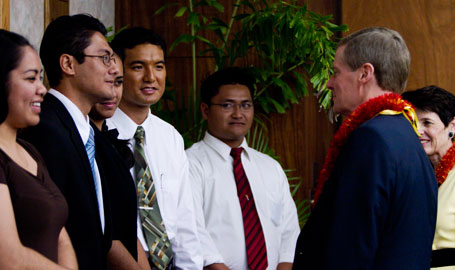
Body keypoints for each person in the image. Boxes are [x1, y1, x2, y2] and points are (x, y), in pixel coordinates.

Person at [293, 27, 438, 269]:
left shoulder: (371, 139)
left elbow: (351, 247)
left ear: (364, 74)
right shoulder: (407, 135)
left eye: (336, 72)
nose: (329, 83)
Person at [21, 14, 120, 269]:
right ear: (68, 64)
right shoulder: (44, 128)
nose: (114, 68)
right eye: (104, 57)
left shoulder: (88, 131)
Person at [186, 67, 300, 270]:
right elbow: (193, 232)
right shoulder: (190, 164)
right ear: (205, 110)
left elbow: (289, 233)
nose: (238, 114)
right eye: (227, 105)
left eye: (245, 105)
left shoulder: (270, 167)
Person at [108, 27, 202, 270]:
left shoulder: (170, 137)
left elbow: (184, 216)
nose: (151, 77)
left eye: (159, 66)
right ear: (117, 70)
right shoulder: (98, 133)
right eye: (138, 67)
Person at [0, 29, 77, 269]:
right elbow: (9, 258)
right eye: (31, 78)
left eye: (41, 78)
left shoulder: (30, 151)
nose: (42, 89)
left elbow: (61, 237)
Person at [402, 85, 455, 269]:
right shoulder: (420, 177)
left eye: (427, 123)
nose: (418, 131)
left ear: (452, 126)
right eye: (413, 123)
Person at [89, 55, 150, 270]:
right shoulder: (82, 142)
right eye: (104, 82)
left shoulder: (112, 139)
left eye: (118, 82)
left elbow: (126, 224)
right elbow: (105, 231)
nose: (111, 93)